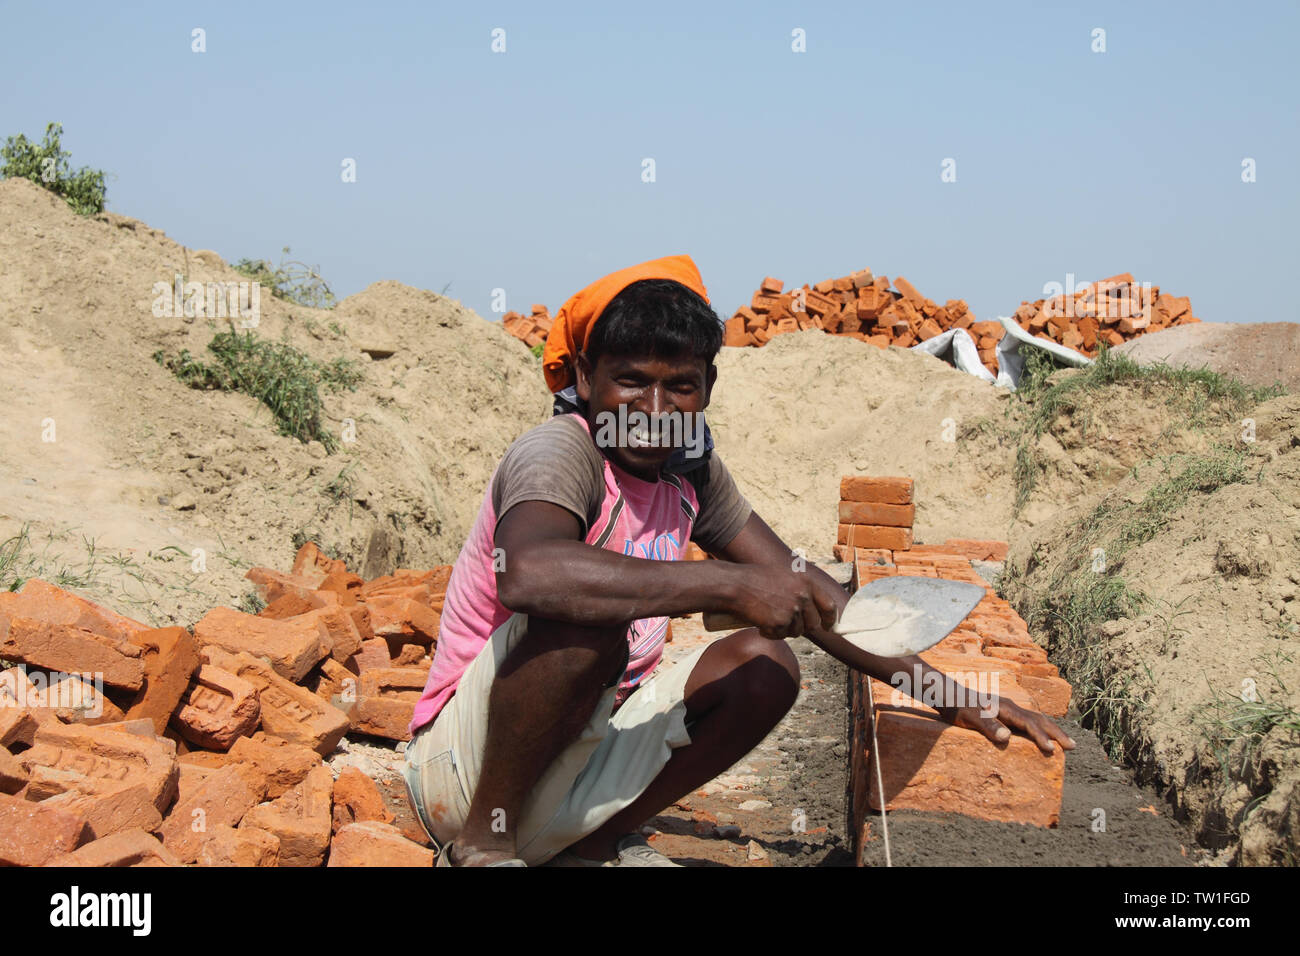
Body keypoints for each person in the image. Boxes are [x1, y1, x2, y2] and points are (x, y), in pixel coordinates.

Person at [402, 254, 1075, 867]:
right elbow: (529, 573)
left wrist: (956, 698)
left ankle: (595, 839)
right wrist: (723, 581)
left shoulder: (688, 472)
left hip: (576, 764)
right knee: (590, 607)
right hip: (468, 771)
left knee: (764, 664)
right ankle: (484, 849)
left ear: (709, 386)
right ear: (585, 376)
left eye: (681, 387)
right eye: (629, 382)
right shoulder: (560, 451)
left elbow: (811, 597)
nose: (654, 412)